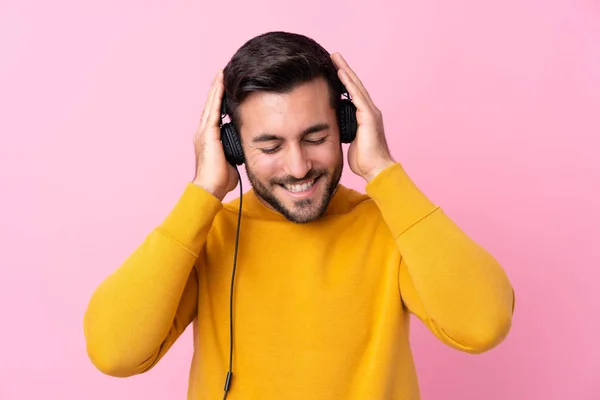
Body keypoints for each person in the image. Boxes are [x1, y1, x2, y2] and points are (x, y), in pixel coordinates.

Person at [83, 31, 515, 400]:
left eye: (316, 136)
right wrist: (203, 192)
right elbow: (114, 351)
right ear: (232, 146)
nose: (297, 166)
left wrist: (384, 171)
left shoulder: (392, 225)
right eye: (270, 147)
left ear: (348, 126)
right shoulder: (206, 235)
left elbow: (482, 324)